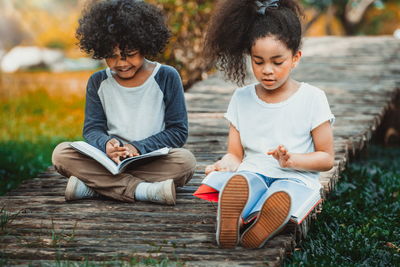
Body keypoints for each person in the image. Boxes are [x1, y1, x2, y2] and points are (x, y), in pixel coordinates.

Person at [202, 0, 335, 248]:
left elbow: (326, 158)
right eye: (258, 61)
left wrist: (291, 160)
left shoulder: (312, 98)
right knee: (245, 182)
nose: (267, 71)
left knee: (281, 194)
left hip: (295, 177)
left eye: (277, 61)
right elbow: (235, 154)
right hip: (253, 172)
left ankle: (262, 221)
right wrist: (224, 164)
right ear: (249, 57)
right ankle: (235, 216)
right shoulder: (241, 98)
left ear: (295, 58)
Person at [52, 0, 196, 206]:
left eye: (129, 55)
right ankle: (143, 190)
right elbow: (92, 129)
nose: (121, 63)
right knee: (61, 154)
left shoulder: (166, 76)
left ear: (145, 46)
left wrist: (138, 148)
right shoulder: (98, 82)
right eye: (112, 57)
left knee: (185, 162)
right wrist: (107, 144)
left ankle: (94, 187)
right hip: (109, 162)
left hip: (151, 160)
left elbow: (178, 131)